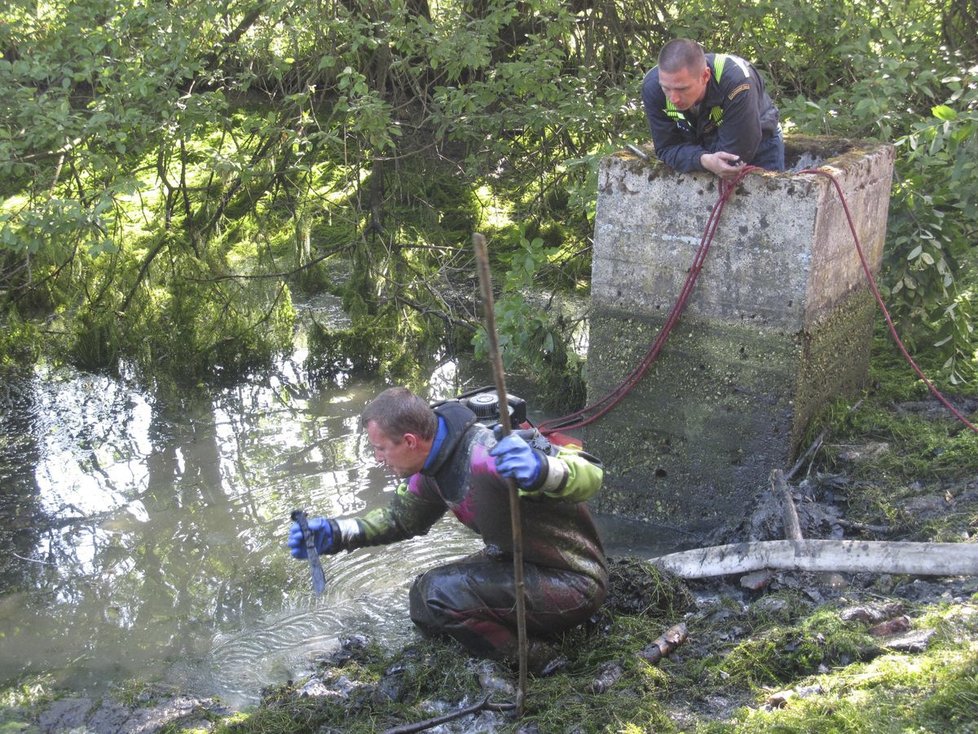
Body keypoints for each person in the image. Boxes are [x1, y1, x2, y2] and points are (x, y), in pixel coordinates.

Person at [287, 386, 608, 673]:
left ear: (410, 441)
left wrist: (542, 470)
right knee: (423, 601)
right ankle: (516, 635)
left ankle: (540, 659)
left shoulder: (487, 454)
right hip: (519, 563)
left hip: (573, 581)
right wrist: (336, 532)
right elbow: (401, 520)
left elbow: (590, 472)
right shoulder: (432, 464)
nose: (378, 459)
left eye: (381, 449)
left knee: (440, 594)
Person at [642, 38, 784, 179]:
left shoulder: (737, 82)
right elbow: (666, 147)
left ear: (705, 76)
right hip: (701, 145)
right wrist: (702, 159)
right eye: (666, 88)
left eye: (682, 89)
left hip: (759, 142)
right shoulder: (653, 88)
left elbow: (733, 155)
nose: (674, 99)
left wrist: (696, 156)